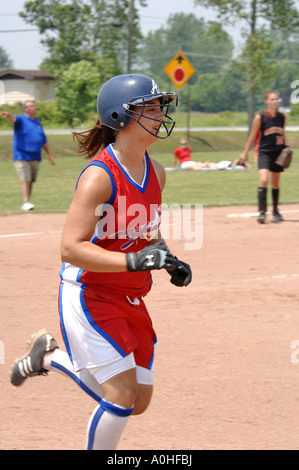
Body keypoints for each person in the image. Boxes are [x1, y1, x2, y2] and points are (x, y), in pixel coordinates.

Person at [9, 74, 192, 450]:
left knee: (137, 402)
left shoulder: (156, 172)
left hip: (129, 296)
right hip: (90, 292)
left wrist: (169, 260)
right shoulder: (99, 175)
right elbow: (71, 248)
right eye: (150, 107)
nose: (161, 113)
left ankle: (48, 357)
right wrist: (133, 262)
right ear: (120, 116)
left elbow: (147, 233)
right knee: (121, 395)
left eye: (161, 106)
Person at [240, 89, 290, 223]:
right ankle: (262, 213)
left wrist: (286, 148)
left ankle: (275, 211)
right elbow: (252, 136)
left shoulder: (282, 117)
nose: (275, 102)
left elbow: (282, 134)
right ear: (266, 101)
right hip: (263, 153)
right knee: (263, 180)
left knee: (275, 184)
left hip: (277, 153)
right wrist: (245, 153)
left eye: (276, 99)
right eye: (272, 99)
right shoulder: (260, 117)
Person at [0, 100, 55, 211]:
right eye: (31, 106)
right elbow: (13, 119)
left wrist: (50, 155)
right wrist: (8, 115)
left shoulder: (37, 122)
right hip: (21, 155)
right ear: (26, 109)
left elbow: (43, 140)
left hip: (35, 156)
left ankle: (27, 201)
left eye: (34, 105)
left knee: (30, 180)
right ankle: (26, 202)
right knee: (25, 178)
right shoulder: (21, 119)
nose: (34, 107)